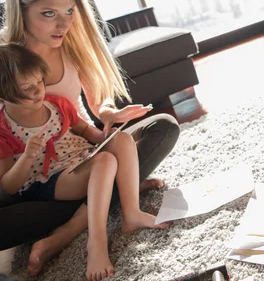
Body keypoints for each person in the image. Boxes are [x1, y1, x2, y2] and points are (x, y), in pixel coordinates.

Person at [0, 0, 180, 275]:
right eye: (48, 13)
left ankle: (69, 229)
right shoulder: (5, 61)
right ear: (21, 9)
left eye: (69, 11)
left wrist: (111, 114)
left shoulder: (71, 46)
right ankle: (121, 191)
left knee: (162, 128)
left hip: (84, 154)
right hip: (31, 172)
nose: (63, 23)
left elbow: (99, 104)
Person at [0, 43, 170, 280]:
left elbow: (91, 134)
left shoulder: (56, 104)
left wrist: (112, 132)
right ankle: (96, 244)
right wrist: (28, 156)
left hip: (84, 159)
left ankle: (132, 213)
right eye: (27, 87)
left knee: (120, 141)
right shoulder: (4, 129)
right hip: (50, 179)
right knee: (105, 162)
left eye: (39, 81)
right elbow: (9, 187)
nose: (38, 91)